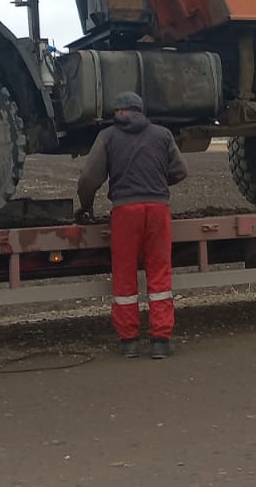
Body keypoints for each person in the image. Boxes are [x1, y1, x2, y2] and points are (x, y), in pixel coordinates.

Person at [77, 91, 188, 360]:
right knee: (159, 272)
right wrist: (157, 186)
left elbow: (89, 178)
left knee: (125, 272)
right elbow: (180, 171)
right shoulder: (162, 135)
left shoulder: (108, 136)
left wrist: (86, 204)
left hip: (125, 211)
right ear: (140, 110)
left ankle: (129, 341)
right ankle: (161, 340)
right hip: (158, 209)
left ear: (117, 112)